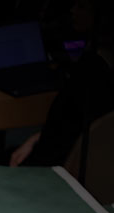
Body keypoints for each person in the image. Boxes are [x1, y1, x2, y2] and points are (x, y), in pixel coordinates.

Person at [10, 0, 114, 168]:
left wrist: (39, 141)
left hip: (59, 167)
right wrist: (38, 137)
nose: (73, 10)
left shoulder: (92, 69)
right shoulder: (98, 62)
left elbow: (85, 134)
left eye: (82, 6)